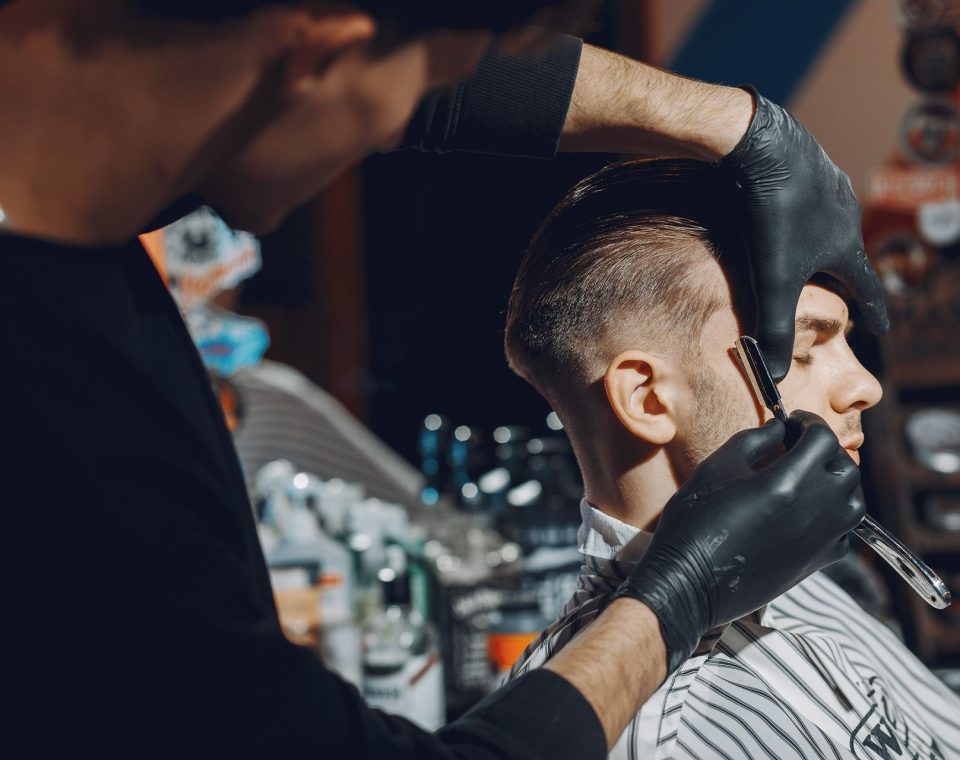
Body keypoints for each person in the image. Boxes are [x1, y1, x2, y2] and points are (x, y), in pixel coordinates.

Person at [0, 1, 878, 756]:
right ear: (316, 57)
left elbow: (456, 82)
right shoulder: (61, 411)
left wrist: (737, 126)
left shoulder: (67, 204)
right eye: (404, 107)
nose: (392, 135)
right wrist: (679, 593)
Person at [504, 157, 960, 759]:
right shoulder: (661, 736)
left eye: (848, 343)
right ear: (648, 398)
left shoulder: (787, 568)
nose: (865, 386)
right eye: (802, 352)